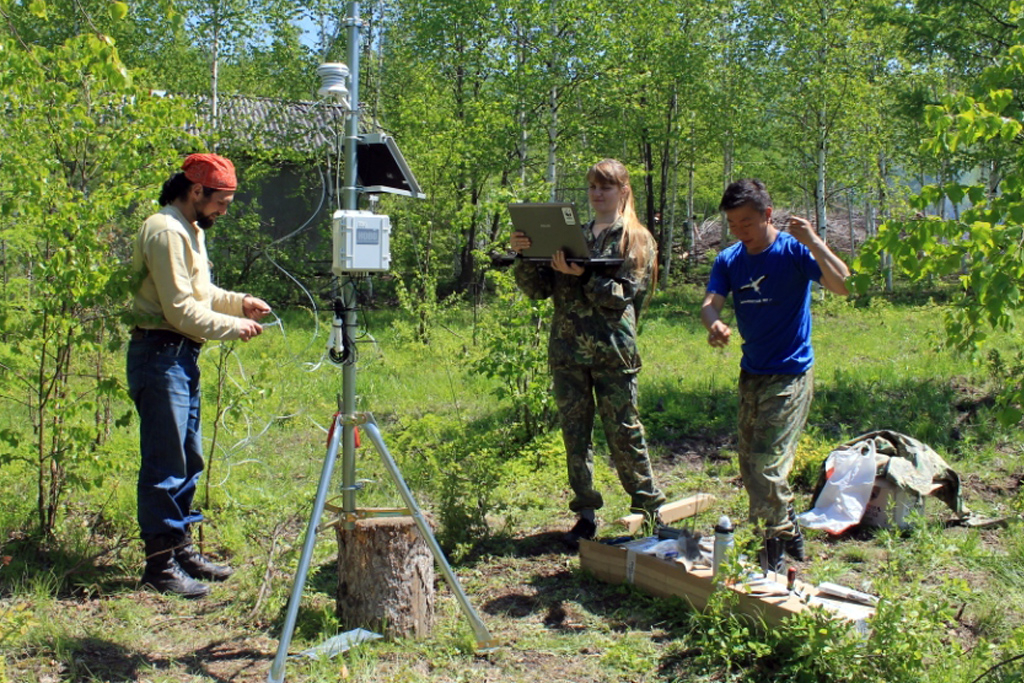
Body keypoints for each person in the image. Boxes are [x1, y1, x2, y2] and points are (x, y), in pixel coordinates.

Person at [127, 153, 272, 598]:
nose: (223, 211)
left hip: (180, 355)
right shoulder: (165, 229)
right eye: (221, 202)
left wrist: (239, 302)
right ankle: (159, 566)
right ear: (196, 192)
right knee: (165, 461)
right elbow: (180, 309)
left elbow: (202, 292)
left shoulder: (190, 229)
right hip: (160, 353)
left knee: (188, 458)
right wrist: (235, 328)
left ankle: (181, 550)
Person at [510, 158, 666, 548]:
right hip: (567, 352)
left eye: (606, 187)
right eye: (593, 187)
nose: (597, 194)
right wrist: (523, 254)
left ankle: (649, 510)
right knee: (575, 436)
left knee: (624, 432)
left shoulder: (635, 238)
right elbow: (538, 290)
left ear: (623, 191)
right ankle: (585, 514)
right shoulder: (571, 235)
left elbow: (622, 297)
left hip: (612, 350)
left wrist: (586, 275)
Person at [701, 178, 850, 573]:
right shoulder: (730, 260)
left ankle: (774, 540)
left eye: (746, 222)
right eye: (732, 223)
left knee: (767, 466)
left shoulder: (793, 251)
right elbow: (710, 303)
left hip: (790, 373)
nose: (739, 231)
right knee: (749, 464)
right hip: (752, 373)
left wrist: (814, 241)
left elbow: (843, 285)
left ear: (768, 215)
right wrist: (714, 323)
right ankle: (784, 526)